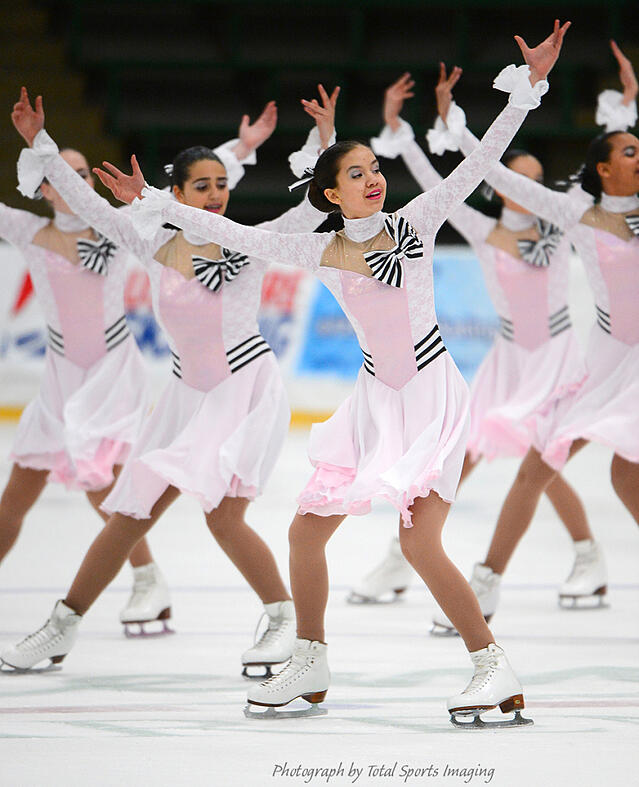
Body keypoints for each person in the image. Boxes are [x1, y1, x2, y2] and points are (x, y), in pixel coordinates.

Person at [93, 22, 571, 726]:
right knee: (306, 529)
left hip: (432, 396)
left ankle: (491, 664)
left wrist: (526, 88)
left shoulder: (416, 221)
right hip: (374, 401)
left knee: (417, 539)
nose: (373, 178)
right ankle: (311, 659)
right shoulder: (317, 252)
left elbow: (478, 166)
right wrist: (161, 206)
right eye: (355, 173)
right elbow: (240, 236)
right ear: (330, 194)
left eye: (374, 168)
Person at [1, 85, 337, 677]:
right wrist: (42, 147)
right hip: (183, 397)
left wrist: (325, 141)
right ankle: (61, 625)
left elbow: (312, 209)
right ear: (175, 194)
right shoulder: (151, 241)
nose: (215, 196)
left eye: (221, 185)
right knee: (129, 512)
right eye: (200, 186)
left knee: (222, 518)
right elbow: (93, 205)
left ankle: (286, 621)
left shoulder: (251, 242)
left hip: (244, 390)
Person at [350, 61, 607, 619]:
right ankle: (402, 552)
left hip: (557, 357)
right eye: (522, 178)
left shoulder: (561, 226)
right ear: (502, 184)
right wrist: (405, 136)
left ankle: (587, 557)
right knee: (459, 458)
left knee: (543, 460)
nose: (532, 187)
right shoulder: (480, 229)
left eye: (539, 178)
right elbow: (432, 189)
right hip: (509, 359)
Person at [431, 39, 638, 628]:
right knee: (536, 467)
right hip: (603, 366)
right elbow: (491, 173)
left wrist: (626, 105)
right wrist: (455, 127)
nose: (638, 155)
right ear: (602, 170)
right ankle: (487, 584)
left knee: (626, 475)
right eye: (628, 149)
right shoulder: (573, 212)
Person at [0, 127, 166, 633]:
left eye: (79, 174)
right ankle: (149, 579)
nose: (72, 183)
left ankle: (147, 578)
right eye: (59, 176)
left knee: (97, 478)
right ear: (42, 187)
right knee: (17, 493)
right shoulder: (29, 231)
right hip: (59, 376)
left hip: (110, 370)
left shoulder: (114, 229)